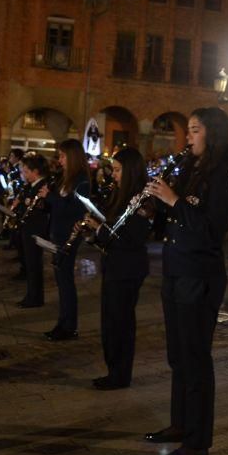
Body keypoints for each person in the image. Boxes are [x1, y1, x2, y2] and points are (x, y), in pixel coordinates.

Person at [142, 107, 228, 455]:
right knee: (178, 356)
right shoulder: (190, 169)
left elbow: (210, 231)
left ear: (213, 133)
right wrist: (155, 208)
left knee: (196, 359)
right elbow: (179, 217)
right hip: (176, 271)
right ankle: (180, 423)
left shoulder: (222, 176)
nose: (189, 137)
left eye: (195, 130)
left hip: (199, 276)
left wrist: (173, 200)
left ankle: (198, 442)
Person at [83, 147, 150, 389]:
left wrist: (100, 228)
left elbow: (131, 237)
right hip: (114, 264)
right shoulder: (119, 194)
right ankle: (114, 370)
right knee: (111, 321)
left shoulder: (141, 199)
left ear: (131, 171)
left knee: (120, 323)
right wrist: (94, 231)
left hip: (127, 268)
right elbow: (112, 230)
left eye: (119, 170)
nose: (114, 175)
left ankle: (120, 375)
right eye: (114, 169)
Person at [42, 139, 90, 339]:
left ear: (73, 156)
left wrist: (50, 197)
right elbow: (57, 206)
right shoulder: (64, 178)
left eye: (63, 156)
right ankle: (63, 323)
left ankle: (68, 326)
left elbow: (74, 210)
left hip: (69, 236)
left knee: (66, 282)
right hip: (58, 233)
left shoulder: (81, 181)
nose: (60, 160)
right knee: (61, 282)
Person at [15, 152, 51, 308]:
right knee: (31, 264)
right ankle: (32, 295)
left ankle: (35, 297)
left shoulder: (42, 186)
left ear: (35, 171)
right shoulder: (31, 186)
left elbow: (41, 208)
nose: (24, 174)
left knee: (34, 265)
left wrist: (26, 203)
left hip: (35, 229)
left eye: (26, 171)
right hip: (29, 228)